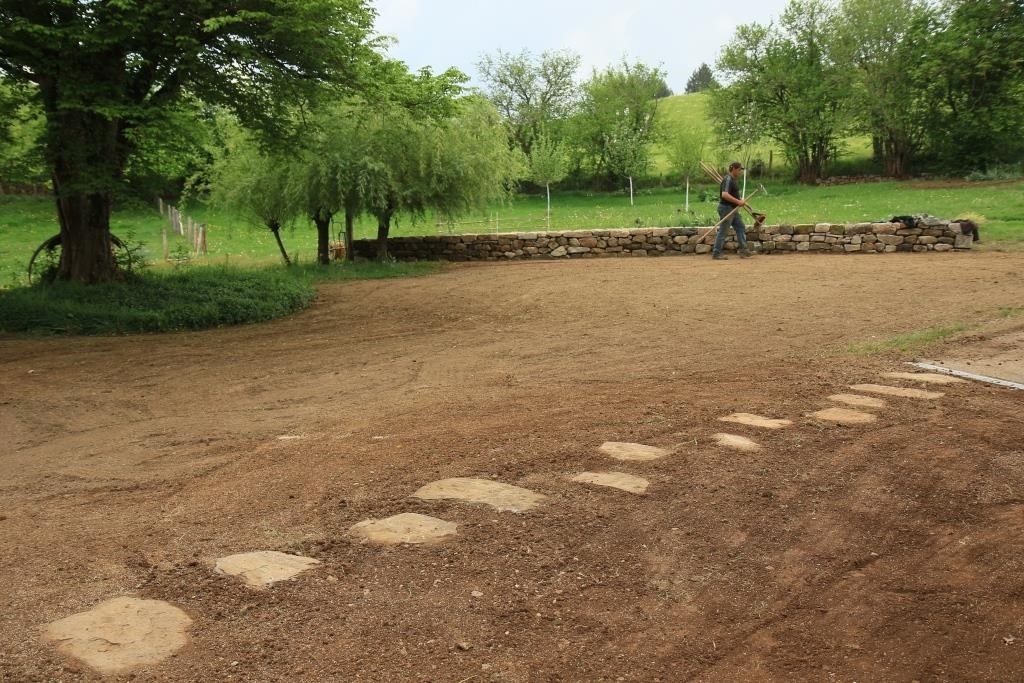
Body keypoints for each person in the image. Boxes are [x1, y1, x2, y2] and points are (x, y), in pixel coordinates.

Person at [714, 161, 754, 260]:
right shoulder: (728, 179)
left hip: (732, 208)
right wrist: (738, 202)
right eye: (740, 170)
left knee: (740, 226)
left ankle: (744, 250)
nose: (740, 172)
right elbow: (725, 195)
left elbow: (735, 196)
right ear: (734, 169)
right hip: (726, 208)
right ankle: (716, 253)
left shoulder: (733, 180)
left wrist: (746, 205)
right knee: (723, 230)